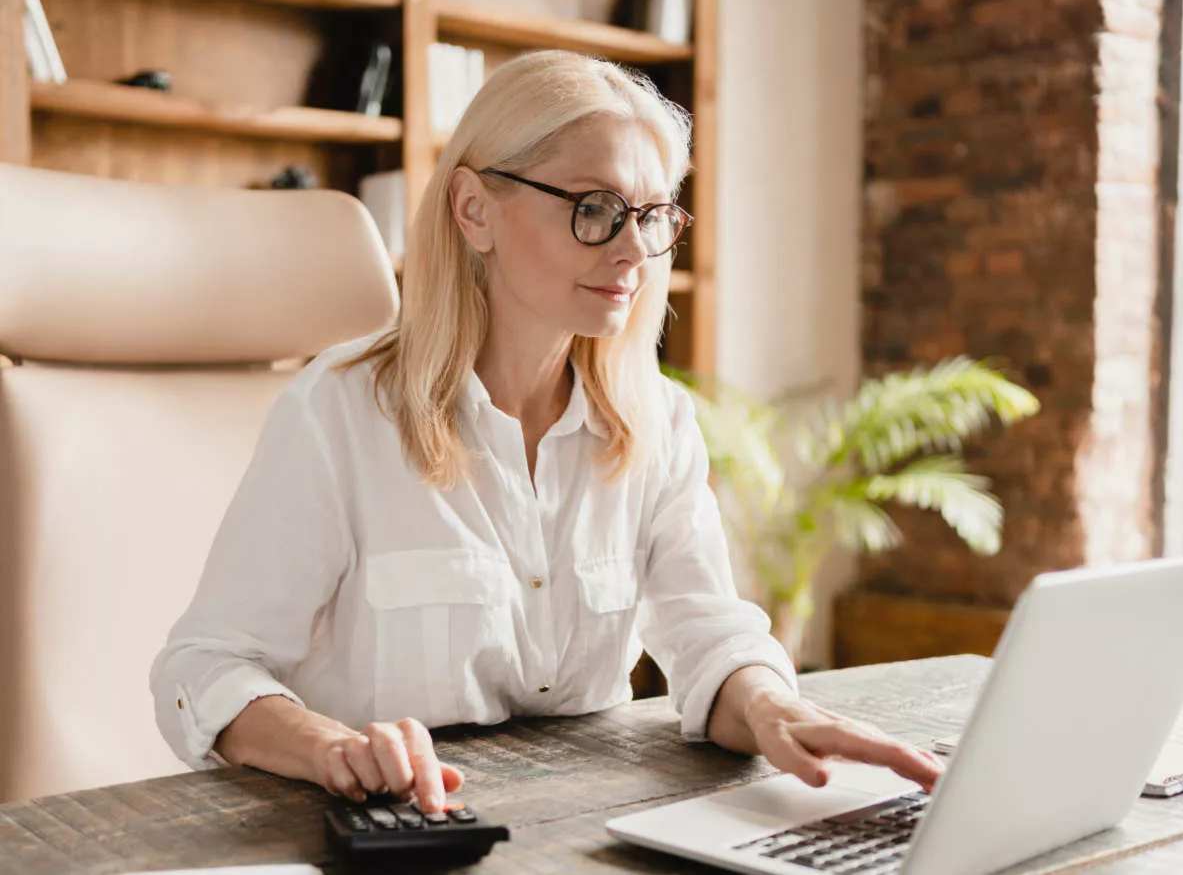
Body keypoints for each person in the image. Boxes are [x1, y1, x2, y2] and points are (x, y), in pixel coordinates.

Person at [150, 50, 943, 817]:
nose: (634, 249)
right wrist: (330, 748)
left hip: (579, 831)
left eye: (652, 214)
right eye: (594, 210)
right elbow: (205, 667)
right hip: (393, 836)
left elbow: (707, 635)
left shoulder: (656, 421)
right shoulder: (339, 411)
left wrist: (772, 708)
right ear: (475, 210)